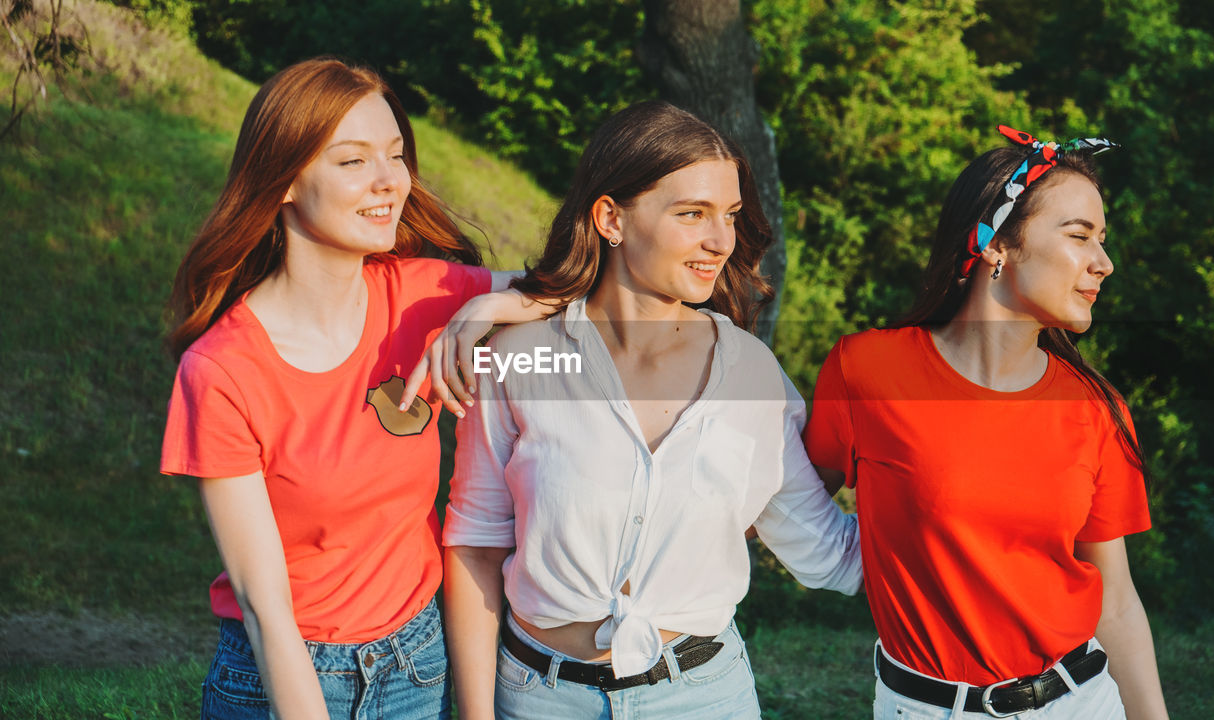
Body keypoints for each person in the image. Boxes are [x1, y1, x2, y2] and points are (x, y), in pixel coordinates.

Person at [441, 100, 863, 720]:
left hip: (702, 698)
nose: (720, 241)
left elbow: (827, 552)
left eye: (730, 215)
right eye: (692, 214)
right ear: (611, 217)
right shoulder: (526, 359)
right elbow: (475, 545)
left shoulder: (748, 373)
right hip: (538, 699)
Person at [161, 57, 547, 720]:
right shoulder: (222, 370)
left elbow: (586, 296)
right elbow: (264, 605)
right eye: (352, 161)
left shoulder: (421, 294)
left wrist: (489, 309)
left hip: (415, 662)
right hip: (281, 671)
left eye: (395, 155)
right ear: (282, 181)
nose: (389, 182)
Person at [805, 126, 1169, 719]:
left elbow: (1117, 600)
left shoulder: (1094, 407)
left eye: (1102, 240)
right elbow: (785, 499)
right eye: (1080, 236)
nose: (1104, 263)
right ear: (996, 245)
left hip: (1078, 702)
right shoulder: (866, 371)